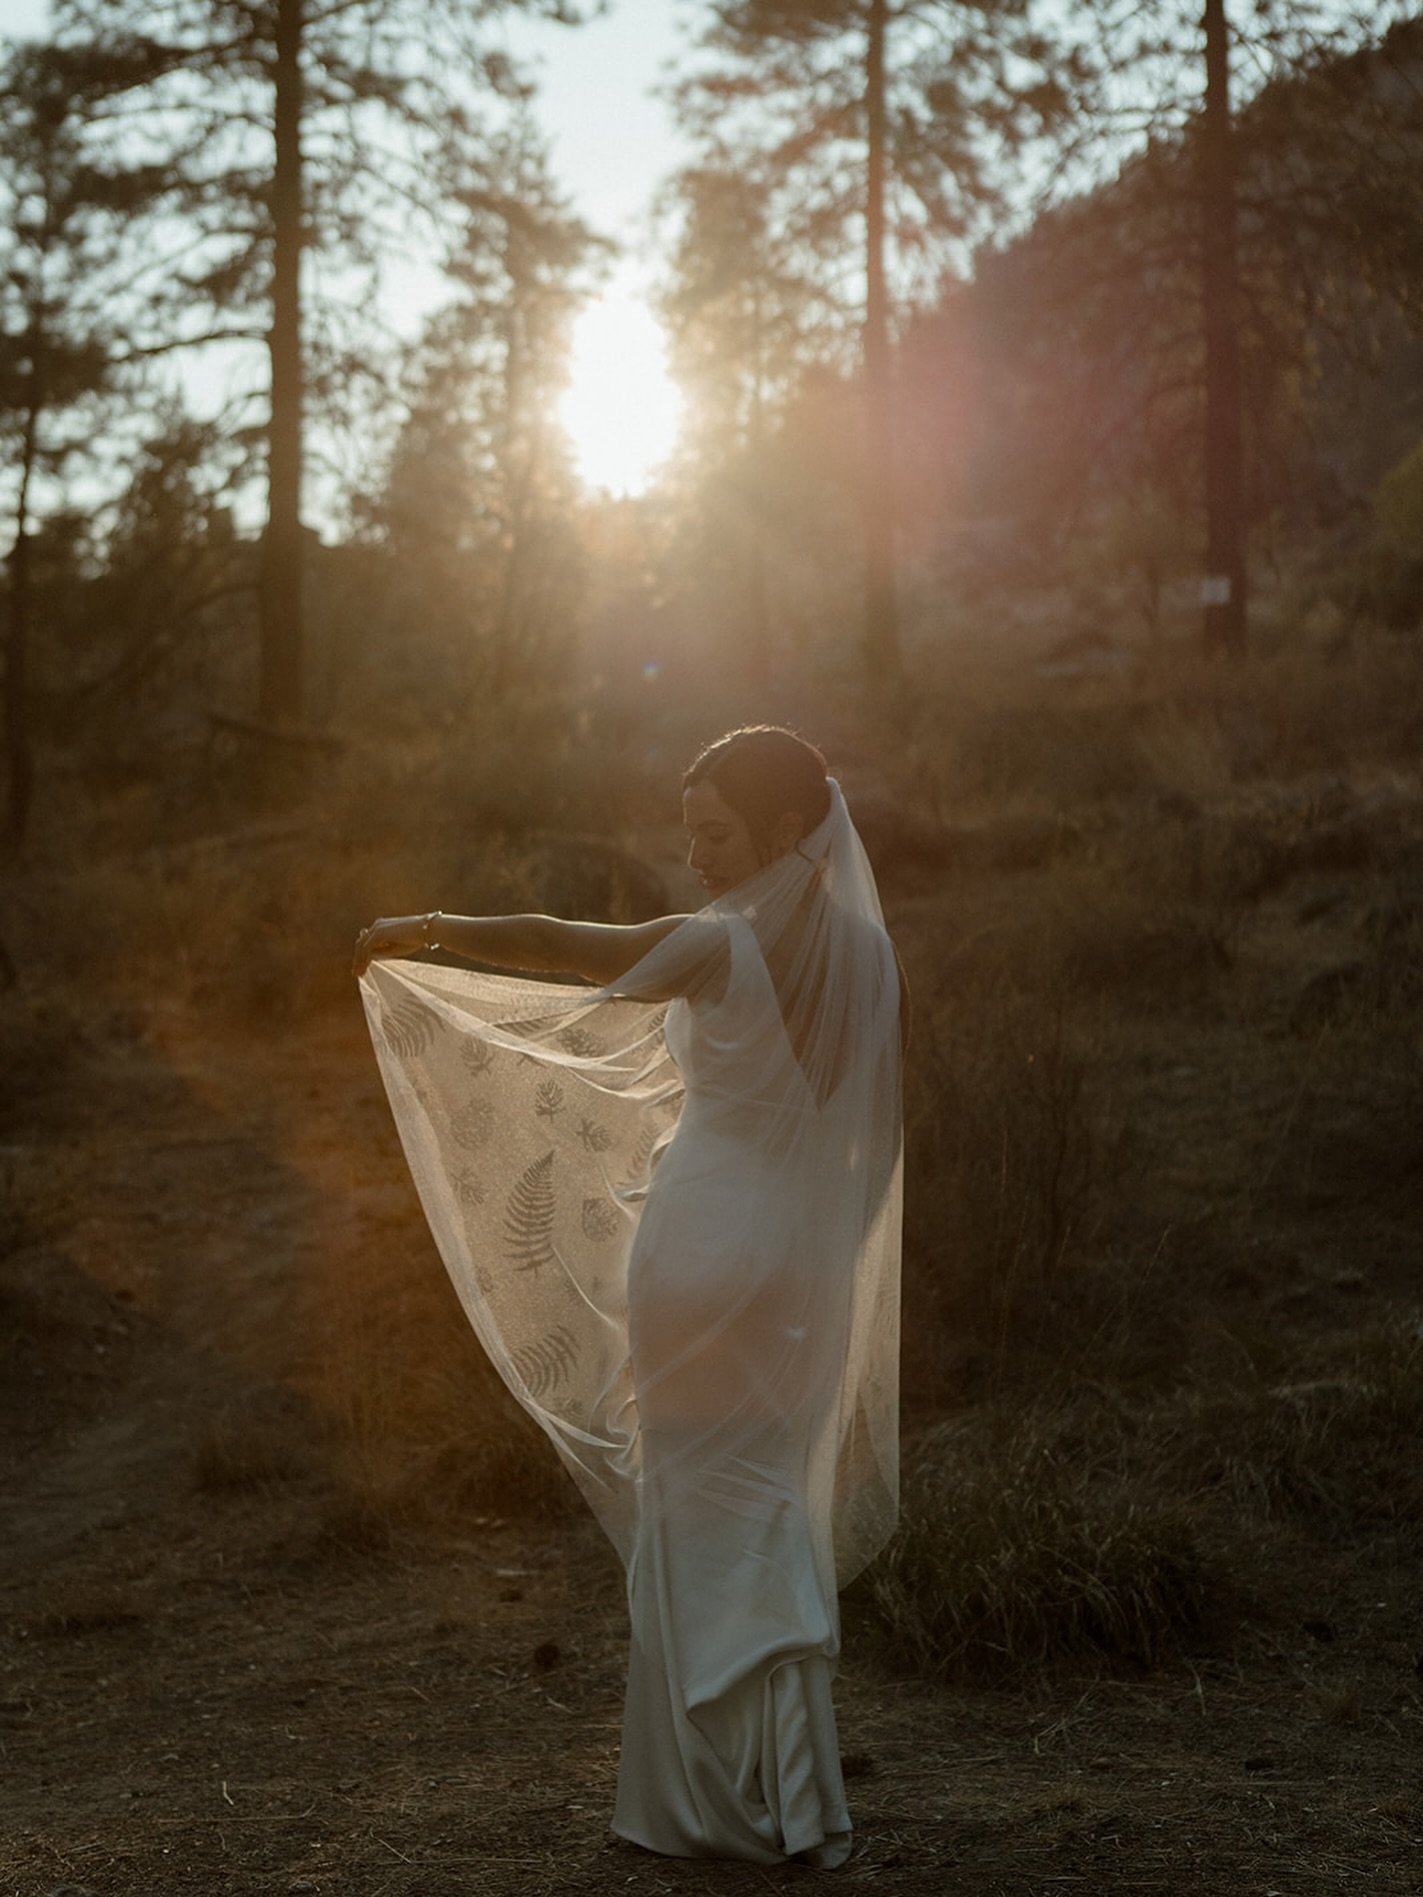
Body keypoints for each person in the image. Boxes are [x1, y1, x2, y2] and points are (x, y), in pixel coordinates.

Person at [353, 725, 903, 1868]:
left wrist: (427, 929)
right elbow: (866, 1144)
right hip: (791, 1259)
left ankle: (706, 1799)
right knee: (761, 1495)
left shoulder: (718, 944)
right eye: (687, 830)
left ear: (786, 830)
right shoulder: (860, 956)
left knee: (694, 1498)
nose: (695, 854)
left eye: (713, 831)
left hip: (700, 1244)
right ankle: (800, 1800)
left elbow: (562, 943)